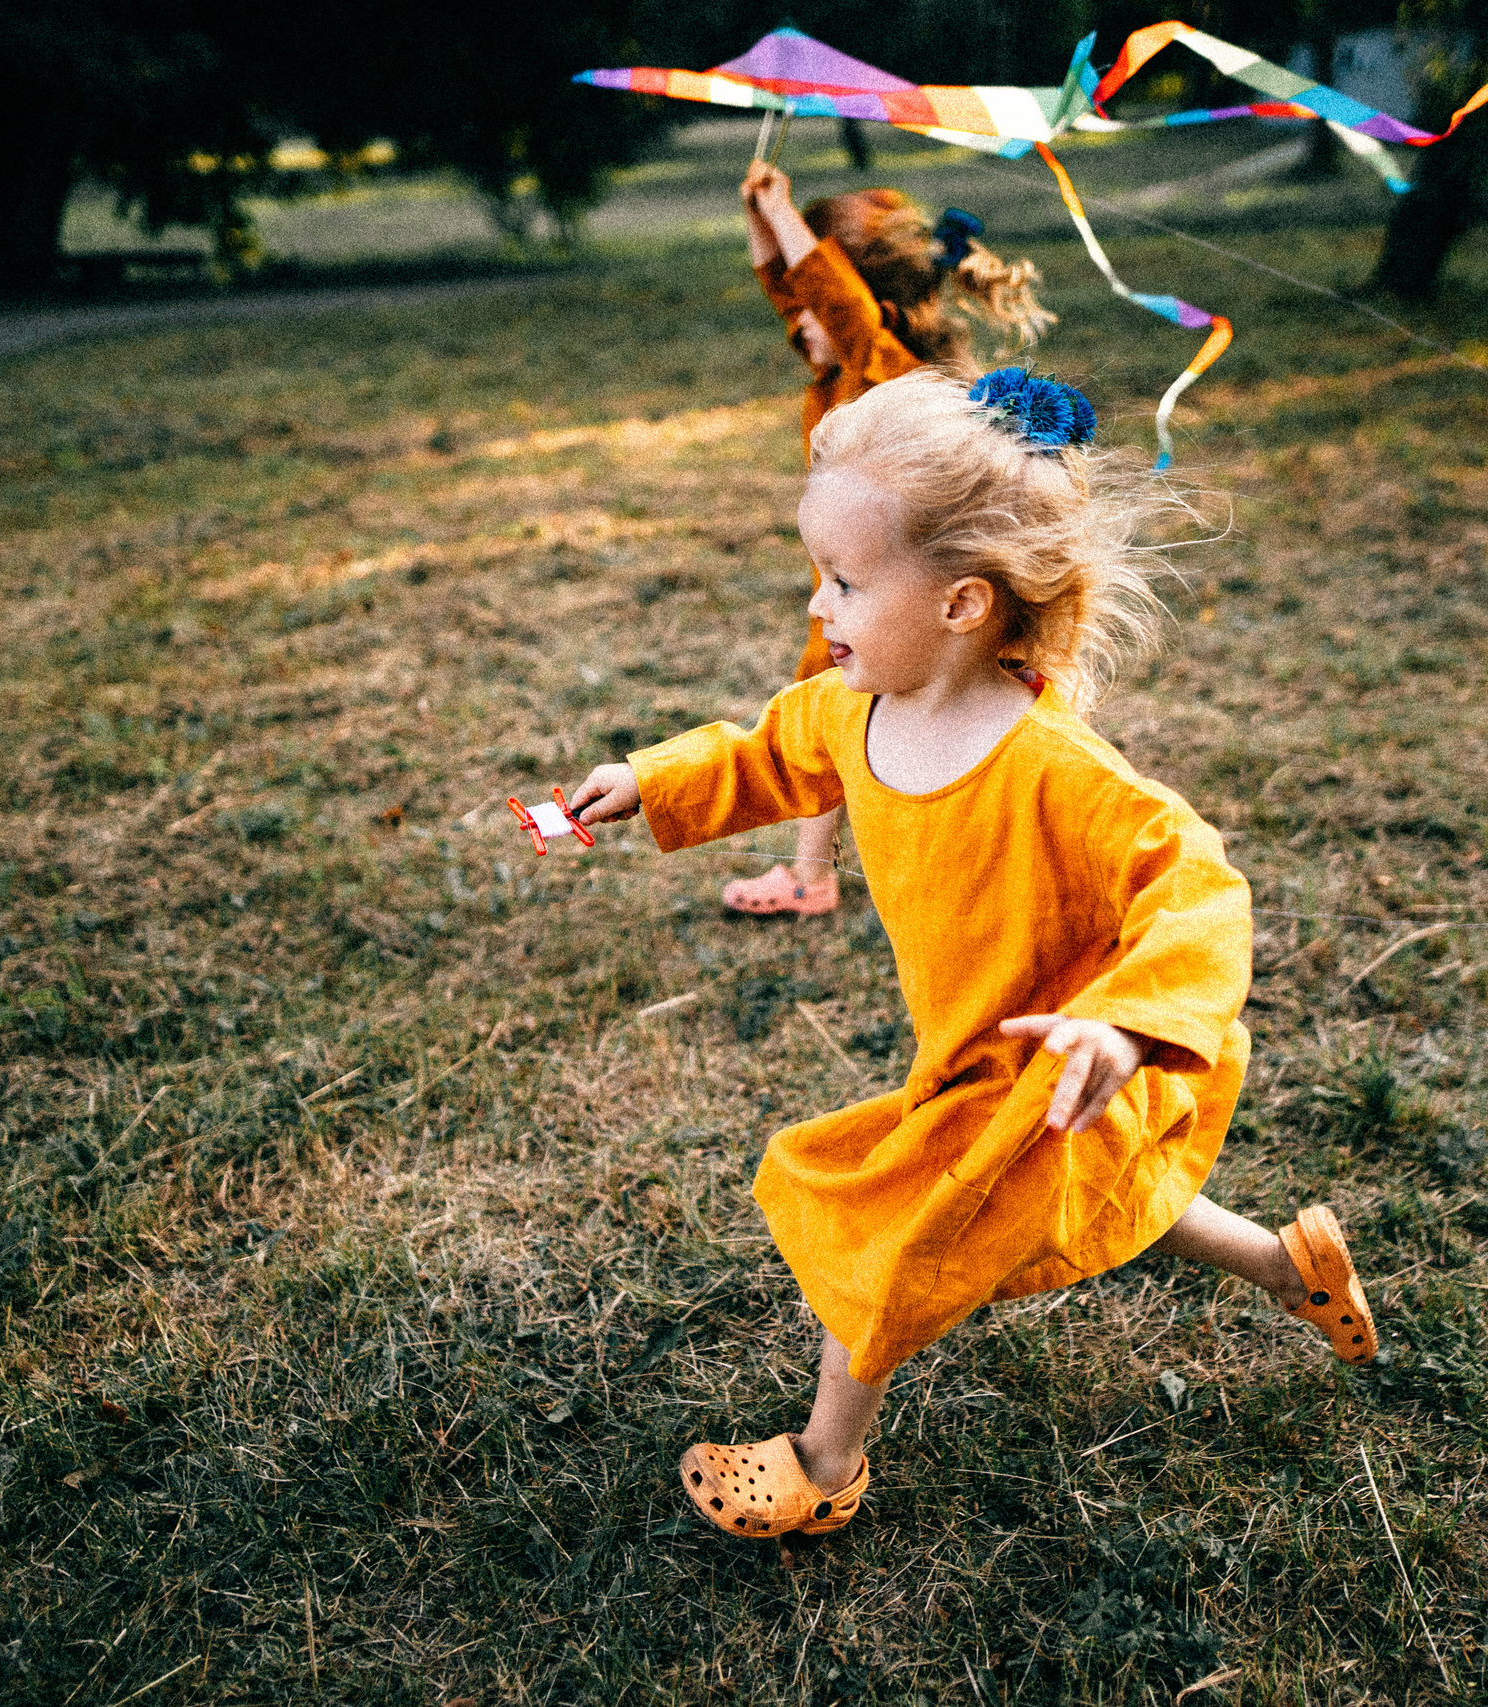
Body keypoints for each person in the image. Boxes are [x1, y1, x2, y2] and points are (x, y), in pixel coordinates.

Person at [568, 369, 1379, 1541]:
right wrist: (650, 780)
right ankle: (1286, 1266)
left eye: (846, 581)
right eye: (818, 574)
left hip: (1040, 1065)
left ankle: (822, 1462)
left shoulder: (1057, 770)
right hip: (1008, 1067)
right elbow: (766, 751)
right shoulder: (855, 711)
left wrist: (1123, 1023)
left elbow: (1197, 887)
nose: (820, 606)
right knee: (1102, 1192)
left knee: (884, 1242)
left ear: (960, 605)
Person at [721, 161, 1055, 919]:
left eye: (815, 306)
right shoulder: (834, 365)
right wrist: (759, 216)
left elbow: (833, 304)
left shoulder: (884, 368)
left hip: (917, 595)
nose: (798, 321)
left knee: (960, 716)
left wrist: (782, 206)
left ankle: (1007, 854)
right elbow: (794, 290)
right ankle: (814, 874)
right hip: (856, 596)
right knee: (834, 717)